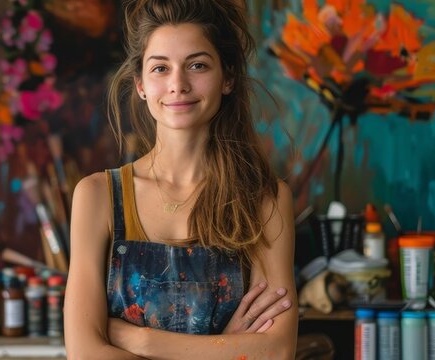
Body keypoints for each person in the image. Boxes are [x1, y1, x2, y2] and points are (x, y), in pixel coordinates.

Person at [64, 0, 297, 359]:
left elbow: (276, 351)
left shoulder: (264, 198)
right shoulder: (97, 196)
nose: (178, 84)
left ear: (228, 78)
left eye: (198, 65)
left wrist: (142, 342)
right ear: (141, 84)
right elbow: (85, 353)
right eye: (160, 68)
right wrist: (224, 349)